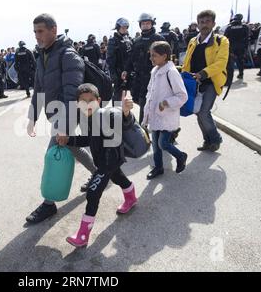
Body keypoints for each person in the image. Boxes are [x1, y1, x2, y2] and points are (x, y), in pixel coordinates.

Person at [26, 13, 97, 224]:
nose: (37, 36)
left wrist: (65, 126)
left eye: (40, 31)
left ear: (53, 30)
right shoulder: (42, 55)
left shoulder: (68, 55)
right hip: (54, 112)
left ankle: (48, 204)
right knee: (71, 147)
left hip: (67, 113)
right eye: (35, 32)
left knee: (53, 153)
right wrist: (32, 117)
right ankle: (99, 172)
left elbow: (71, 94)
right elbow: (38, 88)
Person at [63, 84, 138, 248]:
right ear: (77, 104)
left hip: (108, 162)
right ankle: (131, 197)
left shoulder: (106, 115)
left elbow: (121, 121)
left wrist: (126, 112)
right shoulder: (87, 119)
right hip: (108, 161)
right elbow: (87, 140)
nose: (87, 104)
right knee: (118, 178)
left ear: (99, 101)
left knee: (93, 193)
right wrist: (69, 140)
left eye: (91, 101)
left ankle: (83, 235)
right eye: (83, 101)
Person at [182, 10, 229, 152]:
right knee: (197, 112)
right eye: (201, 22)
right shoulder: (193, 41)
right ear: (197, 24)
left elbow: (221, 63)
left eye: (207, 21)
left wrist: (203, 73)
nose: (204, 25)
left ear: (213, 24)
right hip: (194, 83)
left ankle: (215, 138)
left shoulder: (221, 41)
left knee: (203, 112)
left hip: (211, 82)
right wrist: (182, 74)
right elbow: (187, 62)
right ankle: (207, 141)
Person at [143, 42, 188, 180]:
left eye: (154, 56)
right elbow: (150, 93)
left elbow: (182, 96)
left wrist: (166, 103)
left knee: (163, 143)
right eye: (151, 55)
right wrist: (147, 114)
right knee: (155, 146)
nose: (151, 58)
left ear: (164, 56)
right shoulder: (155, 71)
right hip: (155, 115)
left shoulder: (171, 72)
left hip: (166, 116)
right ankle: (158, 167)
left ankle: (181, 156)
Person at [123, 12, 165, 124]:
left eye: (148, 23)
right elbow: (131, 58)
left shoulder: (159, 39)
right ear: (140, 25)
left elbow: (166, 58)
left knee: (145, 102)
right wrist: (126, 70)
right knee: (137, 98)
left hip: (154, 76)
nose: (145, 25)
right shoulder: (137, 41)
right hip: (138, 77)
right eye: (143, 23)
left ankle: (143, 128)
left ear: (152, 24)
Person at [106, 18, 133, 101]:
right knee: (118, 95)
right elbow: (110, 59)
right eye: (123, 28)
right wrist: (113, 74)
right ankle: (116, 113)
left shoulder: (128, 39)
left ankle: (125, 113)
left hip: (128, 70)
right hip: (118, 72)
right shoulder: (112, 40)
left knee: (127, 96)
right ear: (118, 28)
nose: (125, 29)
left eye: (126, 28)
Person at [224, 13, 250, 81]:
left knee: (230, 62)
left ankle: (229, 78)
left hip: (232, 47)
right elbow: (247, 38)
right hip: (241, 46)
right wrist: (246, 48)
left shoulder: (229, 27)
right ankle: (241, 74)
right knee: (240, 61)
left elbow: (225, 38)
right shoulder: (245, 26)